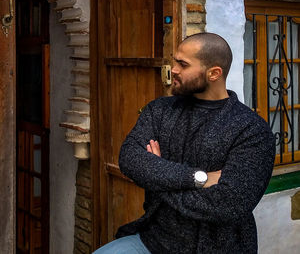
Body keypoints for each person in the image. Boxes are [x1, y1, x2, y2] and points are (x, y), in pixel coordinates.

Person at [93, 33, 275, 254]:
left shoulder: (251, 129)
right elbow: (130, 159)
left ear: (214, 73)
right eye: (175, 60)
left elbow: (229, 205)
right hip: (153, 242)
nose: (174, 69)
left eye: (183, 64)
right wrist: (200, 178)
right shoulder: (159, 110)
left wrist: (156, 176)